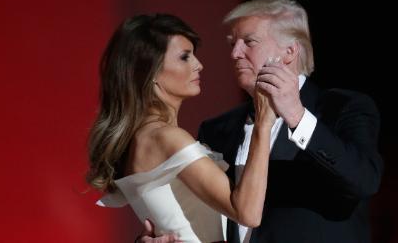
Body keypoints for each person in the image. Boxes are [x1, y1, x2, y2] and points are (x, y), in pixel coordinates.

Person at [140, 0, 383, 243]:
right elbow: (202, 220)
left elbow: (363, 181)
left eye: (249, 42)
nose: (235, 53)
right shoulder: (216, 130)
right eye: (232, 43)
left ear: (289, 52)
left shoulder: (343, 109)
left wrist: (298, 117)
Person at [86, 13, 277, 243]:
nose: (199, 65)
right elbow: (247, 213)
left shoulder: (142, 137)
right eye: (185, 57)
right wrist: (264, 122)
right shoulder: (167, 138)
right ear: (151, 73)